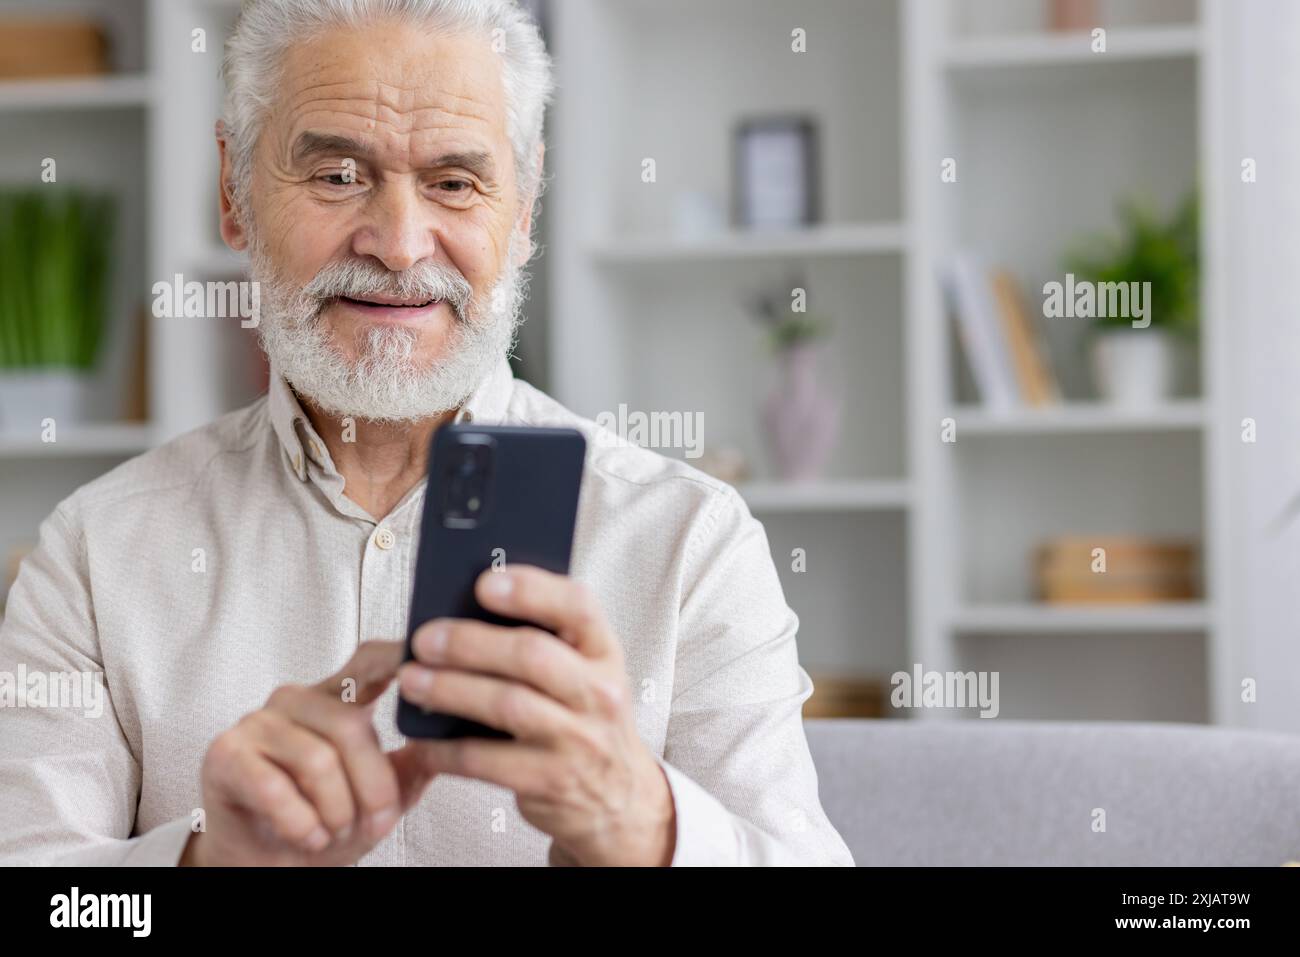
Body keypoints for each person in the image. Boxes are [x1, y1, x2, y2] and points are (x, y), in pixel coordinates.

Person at [0, 0, 853, 867]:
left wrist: (647, 829)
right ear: (234, 191)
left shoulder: (688, 546)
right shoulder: (93, 557)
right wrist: (206, 864)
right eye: (336, 174)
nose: (401, 246)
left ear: (523, 211)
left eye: (454, 182)